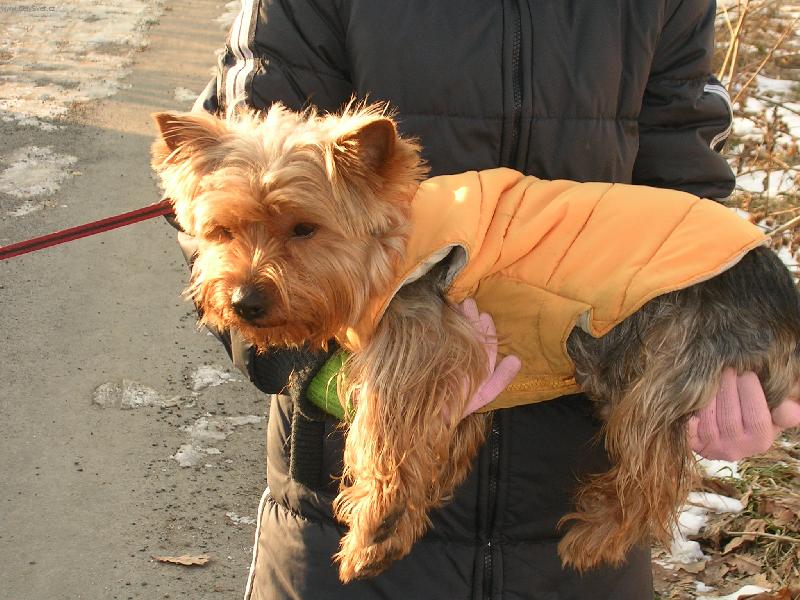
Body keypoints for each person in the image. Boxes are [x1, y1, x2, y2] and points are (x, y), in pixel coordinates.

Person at [171, 1, 800, 598]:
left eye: (300, 231)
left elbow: (683, 194)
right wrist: (328, 379)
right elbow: (228, 187)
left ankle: (636, 494)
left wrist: (710, 380)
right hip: (329, 514)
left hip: (572, 500)